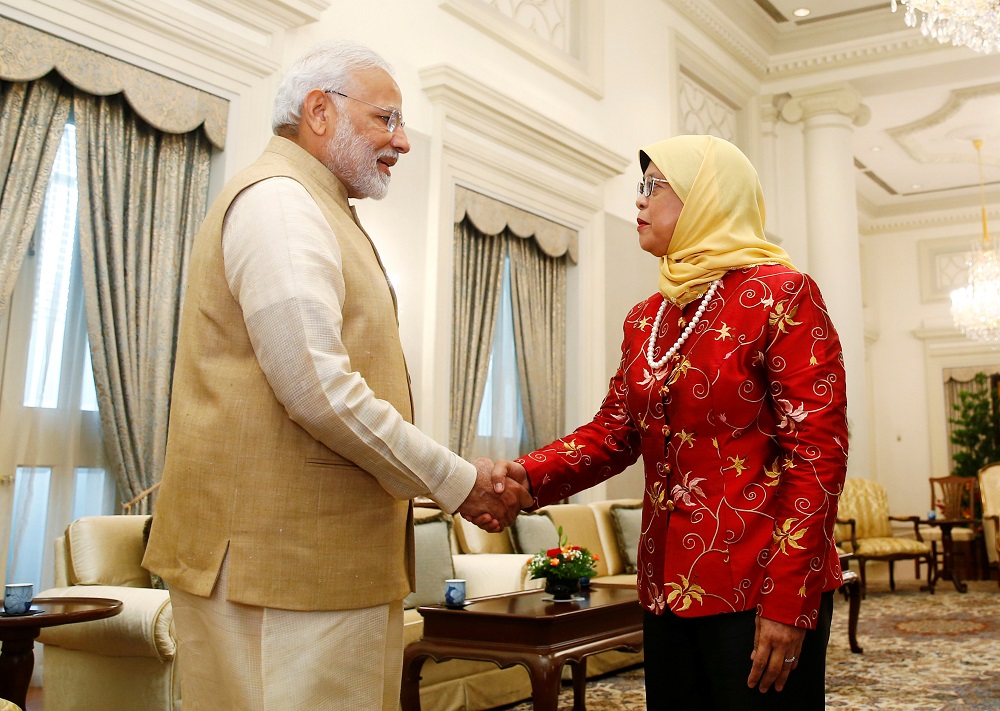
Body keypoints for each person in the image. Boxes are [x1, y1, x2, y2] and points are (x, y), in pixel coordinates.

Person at [142, 40, 531, 710]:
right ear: (319, 111)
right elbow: (319, 389)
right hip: (282, 572)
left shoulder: (316, 205)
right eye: (387, 119)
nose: (402, 142)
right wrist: (460, 481)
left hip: (315, 571)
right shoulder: (281, 204)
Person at [491, 135, 848, 709]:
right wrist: (525, 477)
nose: (639, 202)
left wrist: (789, 599)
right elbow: (613, 433)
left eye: (653, 187)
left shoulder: (783, 296)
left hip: (758, 584)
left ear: (707, 199)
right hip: (666, 586)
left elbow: (818, 458)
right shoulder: (647, 318)